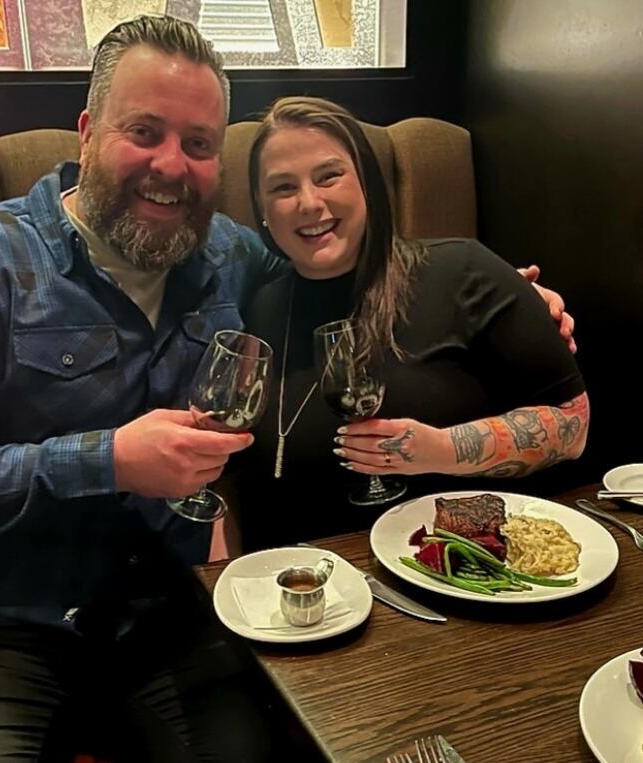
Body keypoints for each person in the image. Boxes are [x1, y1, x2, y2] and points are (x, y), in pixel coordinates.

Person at [0, 14, 575, 763]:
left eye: (199, 144)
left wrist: (514, 303)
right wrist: (108, 460)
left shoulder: (230, 254)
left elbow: (343, 258)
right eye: (145, 131)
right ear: (87, 132)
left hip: (170, 620)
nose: (172, 166)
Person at [230, 97, 589, 553]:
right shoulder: (258, 307)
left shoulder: (463, 270)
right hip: (304, 590)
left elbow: (573, 424)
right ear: (262, 209)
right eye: (283, 187)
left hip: (453, 575)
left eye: (329, 176)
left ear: (366, 184)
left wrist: (440, 449)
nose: (309, 202)